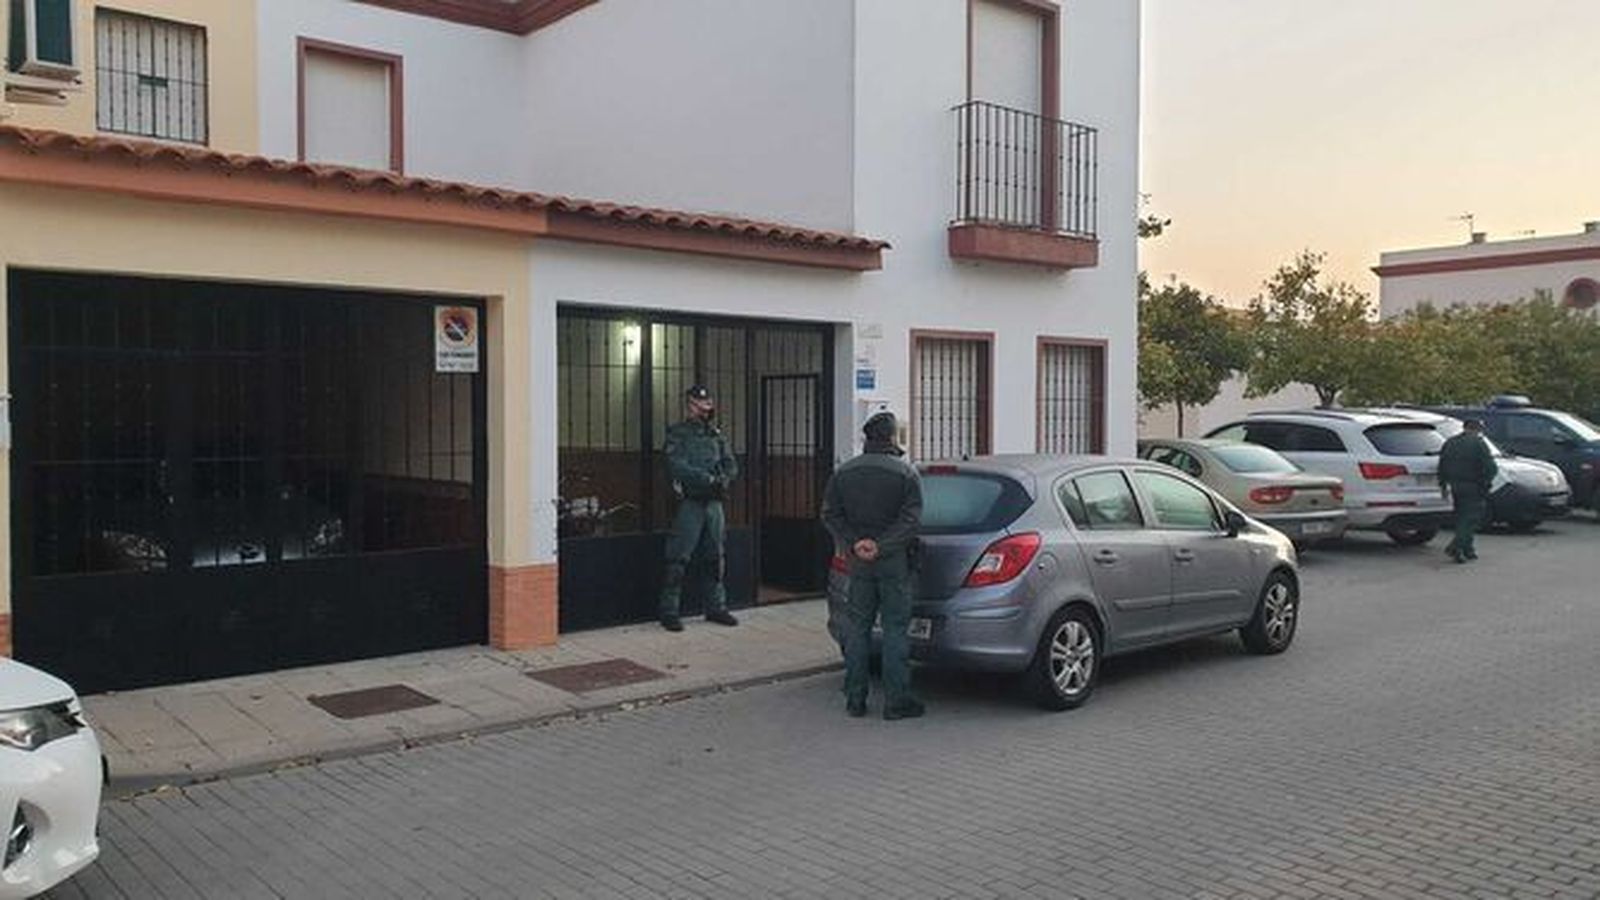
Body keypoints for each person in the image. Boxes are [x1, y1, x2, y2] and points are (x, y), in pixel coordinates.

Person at [822, 410, 925, 720]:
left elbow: (830, 514)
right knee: (895, 629)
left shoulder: (844, 472)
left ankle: (855, 698)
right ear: (892, 437)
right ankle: (897, 701)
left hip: (859, 562)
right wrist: (882, 546)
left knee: (858, 628)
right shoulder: (906, 473)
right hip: (892, 562)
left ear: (867, 438)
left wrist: (855, 543)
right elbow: (911, 520)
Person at [658, 385, 740, 631]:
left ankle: (716, 607)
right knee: (678, 559)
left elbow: (731, 464)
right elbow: (676, 465)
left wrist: (724, 479)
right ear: (690, 406)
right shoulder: (678, 433)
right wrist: (706, 479)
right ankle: (669, 611)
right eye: (700, 404)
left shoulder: (716, 435)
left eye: (708, 404)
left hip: (714, 504)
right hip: (690, 503)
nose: (706, 408)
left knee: (715, 557)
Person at [1438, 418, 1498, 563]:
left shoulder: (1450, 442)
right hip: (1474, 486)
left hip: (1455, 485)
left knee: (1461, 517)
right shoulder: (1479, 444)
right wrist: (1486, 483)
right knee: (1470, 519)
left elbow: (1442, 465)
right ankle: (1456, 547)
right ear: (1477, 429)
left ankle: (1468, 549)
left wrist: (1443, 485)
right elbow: (1490, 468)